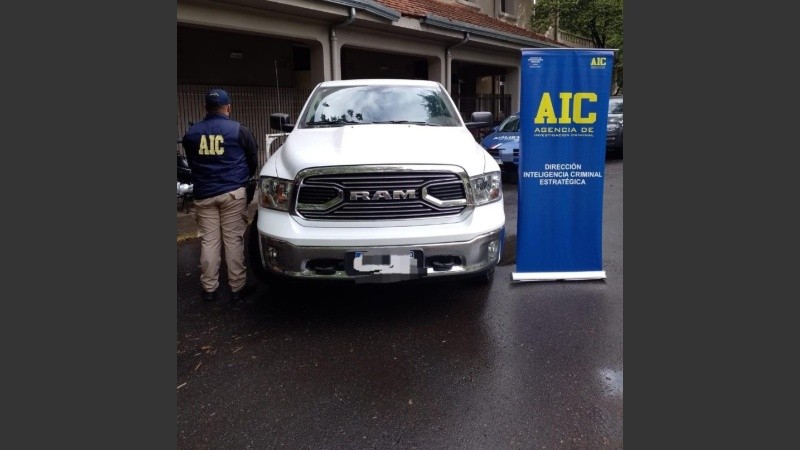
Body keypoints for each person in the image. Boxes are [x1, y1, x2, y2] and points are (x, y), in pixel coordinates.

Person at [182, 88, 259, 301]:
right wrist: (243, 179)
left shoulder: (192, 134)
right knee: (233, 240)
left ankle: (209, 289)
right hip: (233, 193)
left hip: (204, 194)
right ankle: (237, 287)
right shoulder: (239, 130)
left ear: (206, 107)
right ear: (228, 107)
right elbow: (252, 159)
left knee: (209, 241)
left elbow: (192, 162)